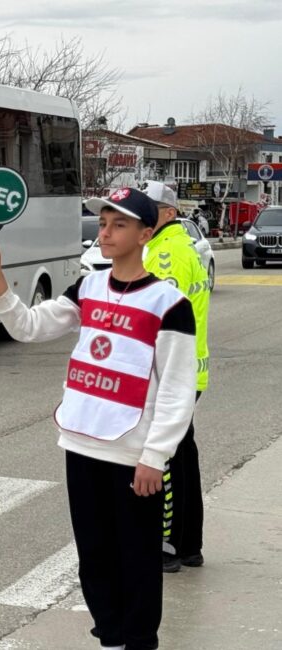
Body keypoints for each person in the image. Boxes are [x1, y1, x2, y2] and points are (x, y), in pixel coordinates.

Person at [0, 186, 196, 650]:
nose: (106, 232)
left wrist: (154, 456)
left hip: (133, 454)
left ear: (145, 233)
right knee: (94, 556)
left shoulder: (169, 304)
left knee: (137, 558)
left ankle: (139, 642)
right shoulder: (88, 287)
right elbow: (29, 326)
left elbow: (177, 390)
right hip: (80, 444)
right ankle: (110, 638)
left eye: (119, 224)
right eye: (103, 223)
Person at [141, 181, 210, 574]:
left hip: (172, 371)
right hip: (189, 369)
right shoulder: (181, 246)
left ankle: (167, 546)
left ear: (169, 212)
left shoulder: (167, 253)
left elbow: (158, 317)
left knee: (164, 456)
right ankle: (189, 545)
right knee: (183, 455)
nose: (144, 214)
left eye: (151, 208)